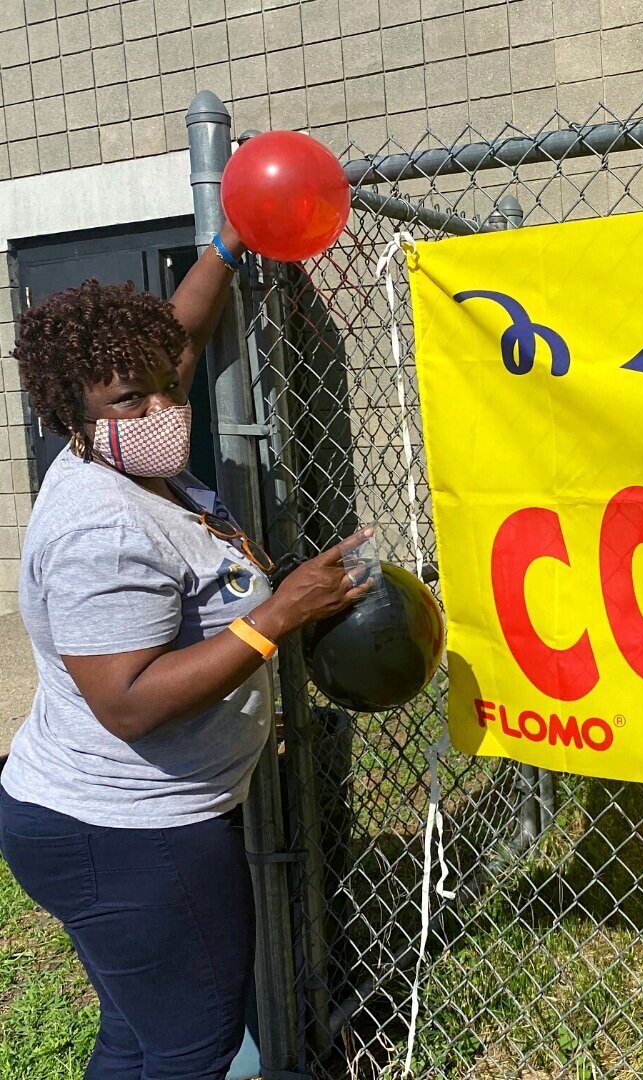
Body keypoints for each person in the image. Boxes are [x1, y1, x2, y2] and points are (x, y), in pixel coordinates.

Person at [0, 222, 370, 1079]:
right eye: (132, 400)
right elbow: (127, 703)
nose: (164, 410)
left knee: (139, 1038)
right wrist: (276, 616)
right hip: (127, 833)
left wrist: (228, 243)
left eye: (171, 387)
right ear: (68, 415)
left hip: (106, 824)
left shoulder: (126, 456)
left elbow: (179, 335)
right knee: (192, 1048)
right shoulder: (103, 524)